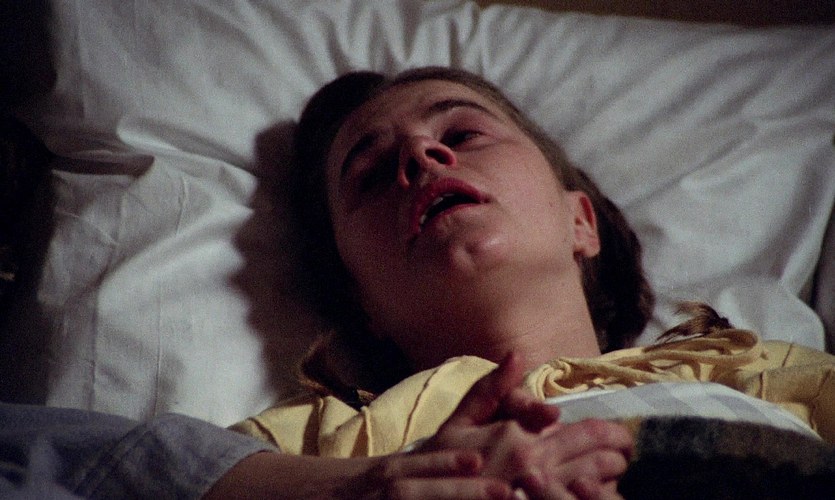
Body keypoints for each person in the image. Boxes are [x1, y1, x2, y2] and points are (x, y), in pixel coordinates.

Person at [228, 66, 835, 498]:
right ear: (362, 302)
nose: (420, 155)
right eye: (375, 175)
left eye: (461, 135)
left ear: (580, 222)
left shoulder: (754, 367)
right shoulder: (322, 441)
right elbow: (166, 468)